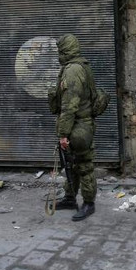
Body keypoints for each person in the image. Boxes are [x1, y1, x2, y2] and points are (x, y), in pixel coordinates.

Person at [52, 34, 98, 221]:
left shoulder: (72, 70)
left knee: (84, 165)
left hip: (78, 125)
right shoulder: (81, 65)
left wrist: (63, 134)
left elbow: (69, 105)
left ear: (65, 50)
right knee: (72, 164)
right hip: (78, 123)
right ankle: (70, 198)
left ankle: (88, 203)